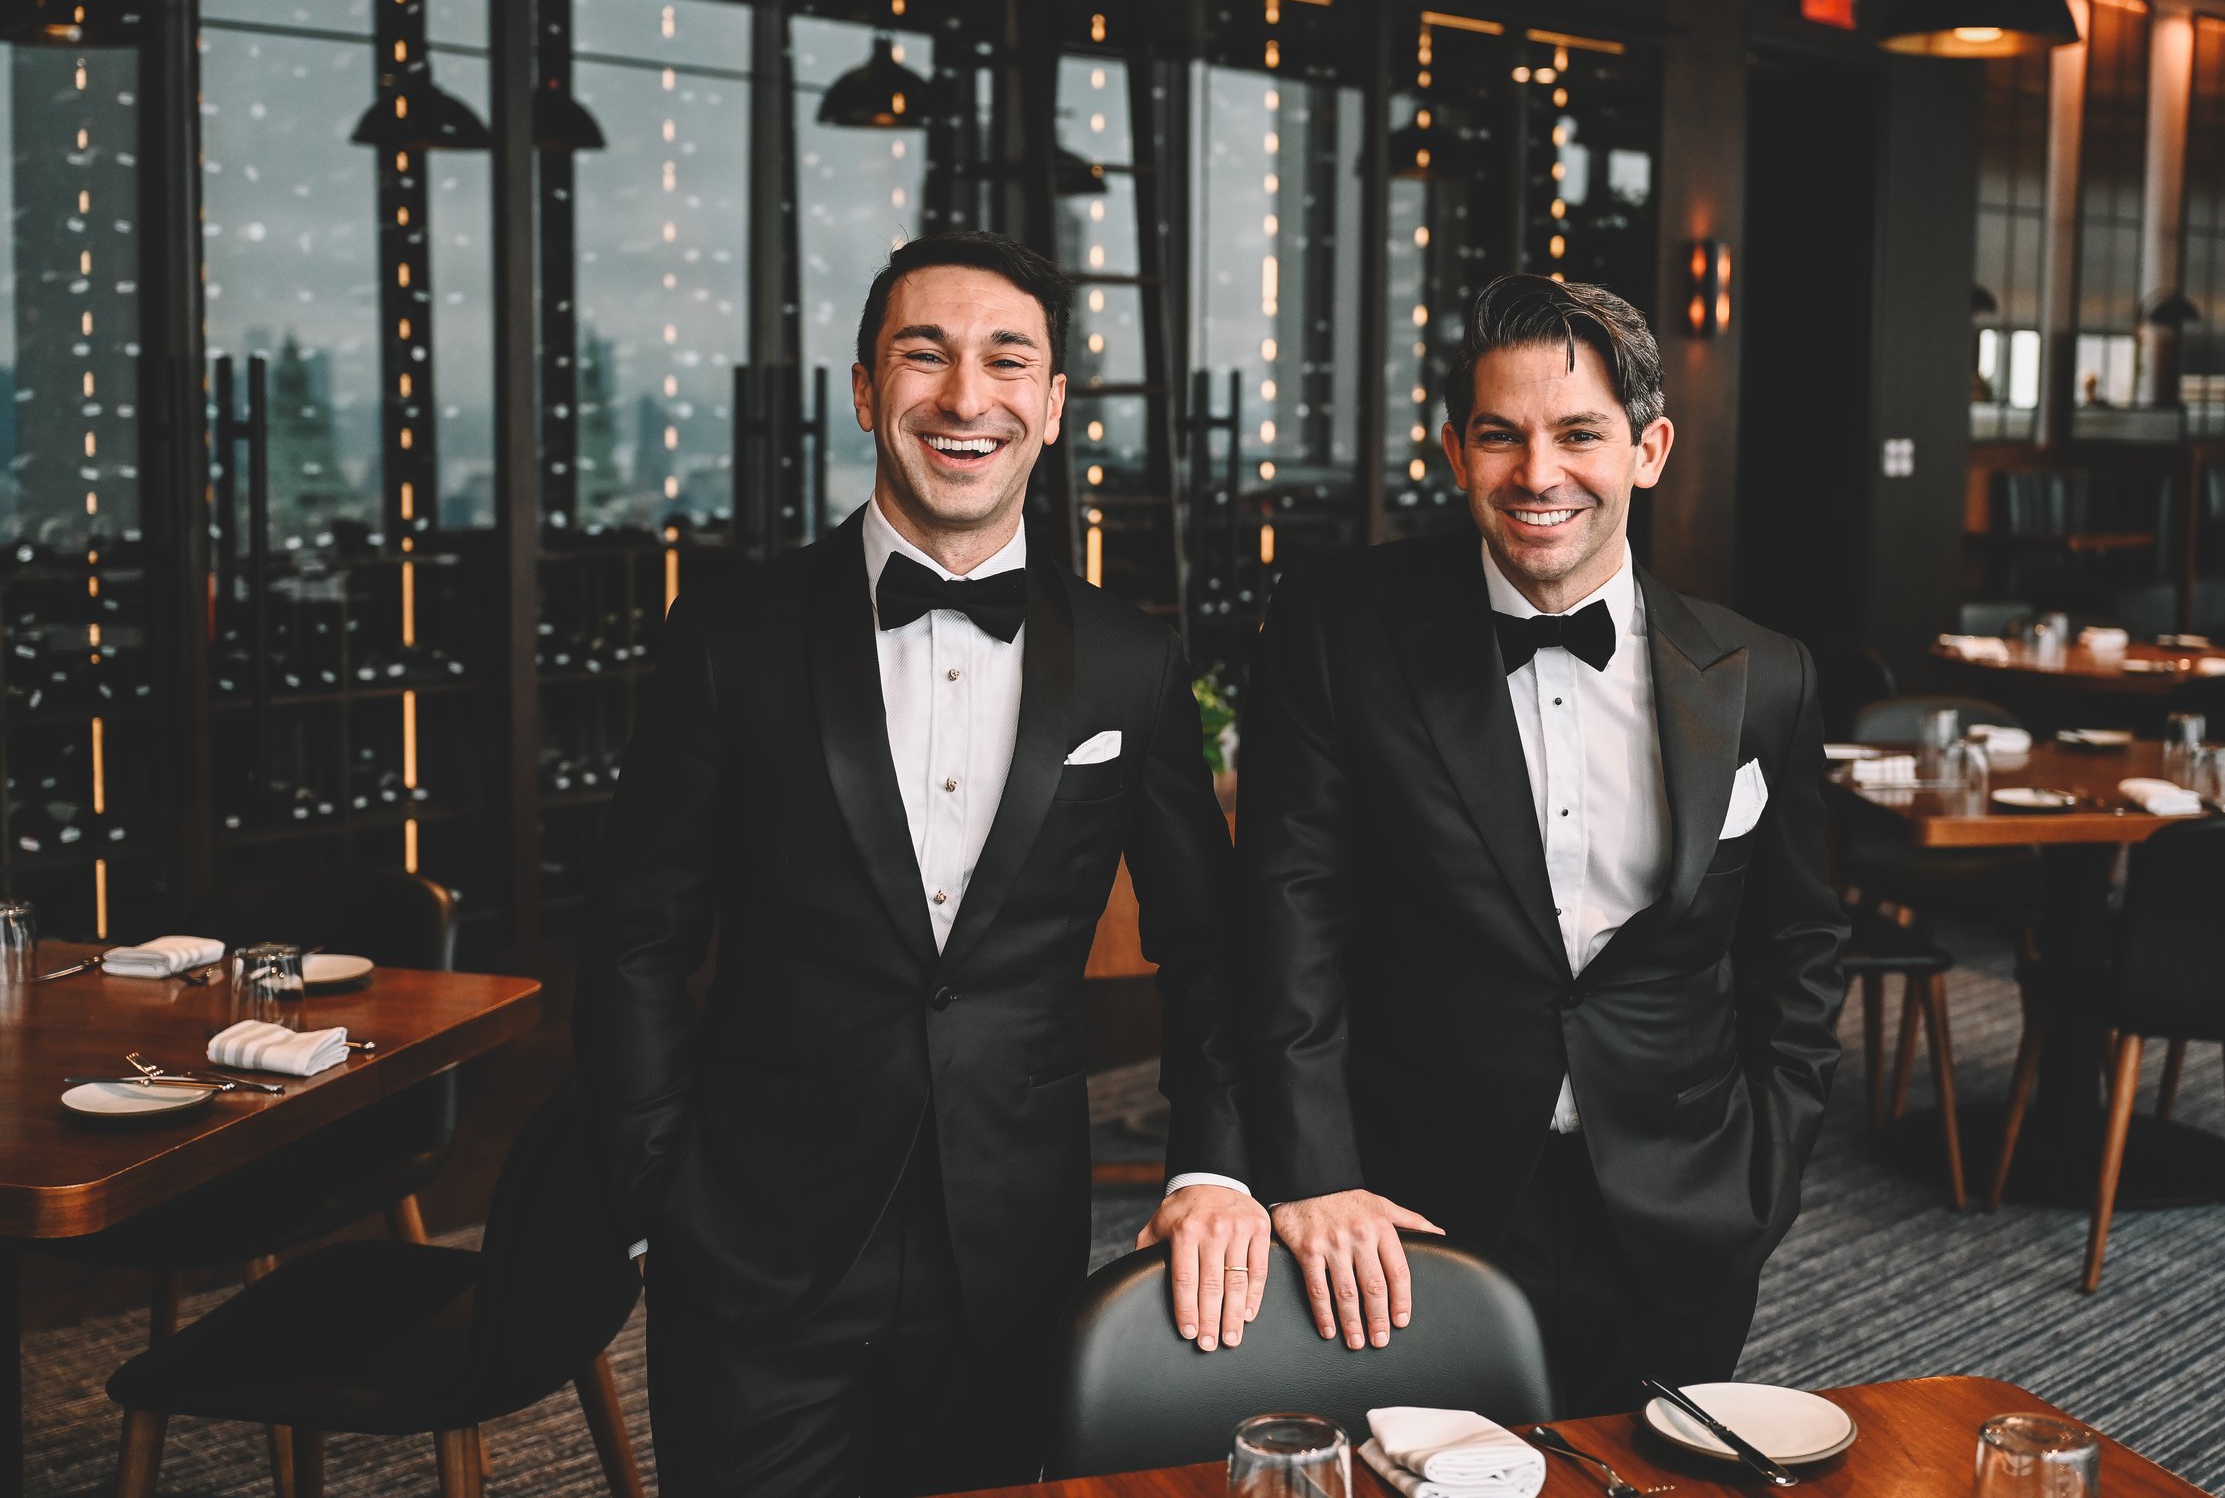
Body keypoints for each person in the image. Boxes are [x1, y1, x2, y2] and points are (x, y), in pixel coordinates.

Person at [575, 231, 1270, 1498]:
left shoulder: (1132, 659)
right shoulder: (730, 636)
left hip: (1008, 1252)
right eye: (923, 355)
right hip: (748, 1248)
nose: (964, 396)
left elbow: (1209, 942)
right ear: (861, 390)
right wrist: (653, 1189)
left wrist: (1210, 1159)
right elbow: (634, 931)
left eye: (1008, 360)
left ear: (1053, 407)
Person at [1236, 273, 1848, 1412]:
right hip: (1414, 1212)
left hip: (1684, 1205)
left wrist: (1765, 1167)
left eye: (1579, 434)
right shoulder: (1337, 629)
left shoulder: (1764, 672)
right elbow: (1290, 918)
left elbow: (1799, 943)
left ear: (1648, 448)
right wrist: (1318, 1174)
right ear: (1453, 451)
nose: (1539, 474)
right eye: (1500, 435)